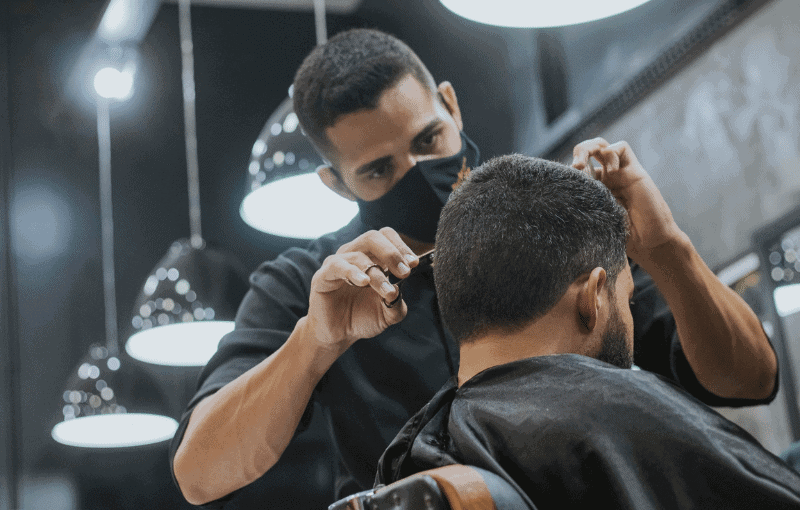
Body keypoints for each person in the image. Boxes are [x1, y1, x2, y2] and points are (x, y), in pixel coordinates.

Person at [170, 28, 778, 507]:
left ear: (452, 108)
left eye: (429, 140)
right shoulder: (310, 285)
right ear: (335, 184)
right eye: (379, 170)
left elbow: (748, 379)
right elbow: (200, 474)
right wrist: (314, 342)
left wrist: (665, 247)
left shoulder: (546, 213)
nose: (416, 173)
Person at [375, 154, 800, 509]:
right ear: (594, 296)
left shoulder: (410, 460)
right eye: (627, 299)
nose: (630, 317)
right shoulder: (623, 419)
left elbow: (751, 377)